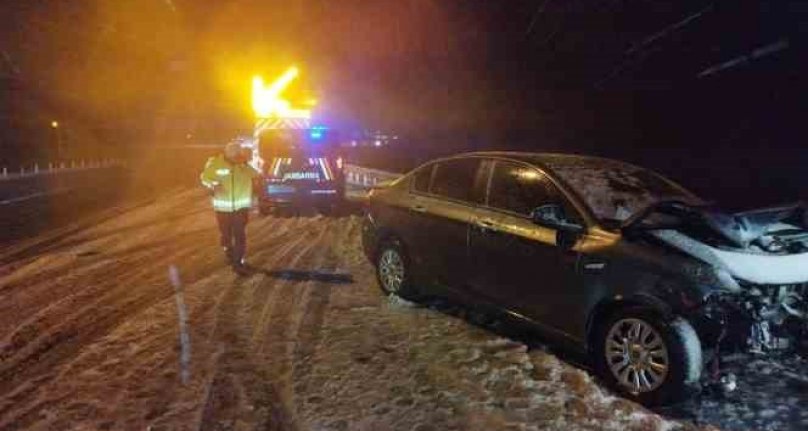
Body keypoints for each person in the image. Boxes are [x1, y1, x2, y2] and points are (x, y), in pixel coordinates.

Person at [200, 140, 261, 273]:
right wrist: (213, 184)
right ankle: (229, 253)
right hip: (222, 208)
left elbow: (256, 174)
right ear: (227, 154)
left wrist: (246, 165)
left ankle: (238, 262)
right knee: (226, 235)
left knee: (239, 235)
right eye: (235, 156)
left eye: (239, 155)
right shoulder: (215, 164)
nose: (237, 158)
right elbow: (205, 177)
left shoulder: (243, 166)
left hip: (240, 208)